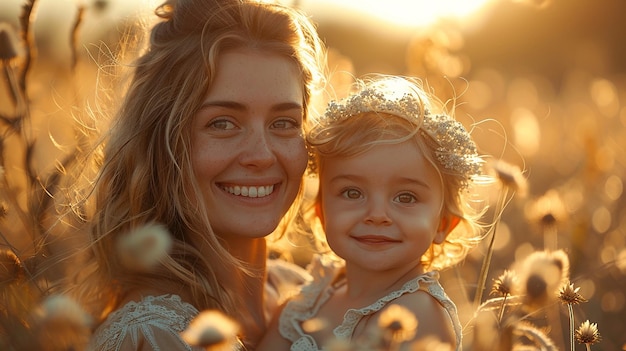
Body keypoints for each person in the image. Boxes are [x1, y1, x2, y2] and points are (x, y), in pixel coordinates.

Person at [66, 0, 327, 350]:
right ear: (161, 142)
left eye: (284, 123)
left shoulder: (303, 293)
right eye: (222, 123)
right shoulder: (153, 336)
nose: (262, 155)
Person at [257, 75, 487, 351]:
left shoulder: (417, 314)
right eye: (352, 193)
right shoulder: (310, 300)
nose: (377, 215)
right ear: (320, 212)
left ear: (443, 224)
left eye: (406, 197)